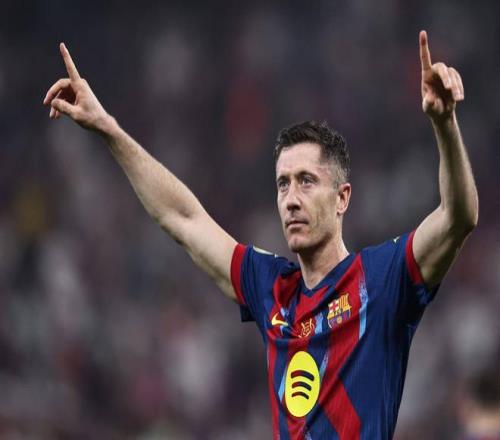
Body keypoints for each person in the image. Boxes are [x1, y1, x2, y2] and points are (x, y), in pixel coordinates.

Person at [43, 30, 478, 439]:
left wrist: (445, 126)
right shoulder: (272, 287)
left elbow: (458, 218)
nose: (291, 199)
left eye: (306, 181)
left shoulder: (382, 279)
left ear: (342, 198)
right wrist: (109, 129)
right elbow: (183, 219)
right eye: (282, 184)